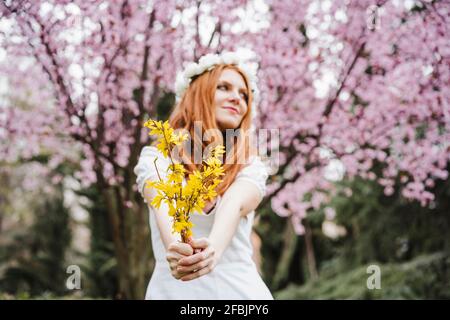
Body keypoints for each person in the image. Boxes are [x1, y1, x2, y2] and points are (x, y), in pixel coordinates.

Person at [133, 51, 273, 299]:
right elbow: (164, 203)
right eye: (224, 87)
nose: (237, 98)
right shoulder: (157, 159)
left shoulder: (251, 165)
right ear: (199, 93)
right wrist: (177, 250)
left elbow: (233, 203)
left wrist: (212, 252)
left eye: (244, 94)